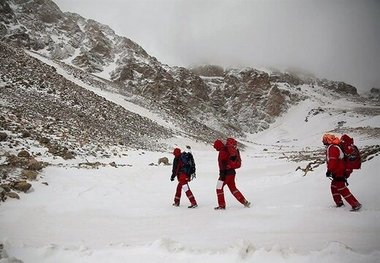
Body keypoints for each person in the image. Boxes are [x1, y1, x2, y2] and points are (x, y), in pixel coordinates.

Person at [322, 134, 362, 211]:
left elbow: (333, 160)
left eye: (324, 140)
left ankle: (355, 204)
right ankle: (339, 203)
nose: (323, 142)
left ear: (328, 140)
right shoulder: (336, 146)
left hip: (339, 171)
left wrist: (329, 170)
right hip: (340, 170)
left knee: (341, 187)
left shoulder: (333, 148)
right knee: (334, 186)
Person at [213, 139, 250, 210]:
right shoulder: (227, 150)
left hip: (225, 174)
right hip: (232, 173)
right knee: (233, 188)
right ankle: (244, 201)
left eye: (215, 147)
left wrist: (222, 175)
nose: (215, 148)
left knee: (219, 188)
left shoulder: (222, 152)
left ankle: (222, 205)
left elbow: (222, 165)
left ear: (218, 146)